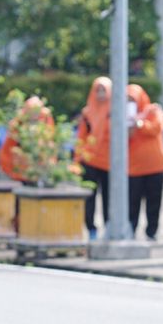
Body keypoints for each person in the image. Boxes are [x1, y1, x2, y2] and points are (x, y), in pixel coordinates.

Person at [125, 84, 163, 241]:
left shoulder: (153, 110)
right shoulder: (121, 114)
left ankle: (152, 231)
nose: (130, 102)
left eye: (133, 99)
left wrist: (139, 124)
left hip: (155, 165)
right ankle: (130, 230)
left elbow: (157, 128)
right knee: (132, 203)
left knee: (154, 201)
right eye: (127, 99)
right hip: (133, 168)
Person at [75, 77, 113, 236]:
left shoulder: (115, 111)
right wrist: (77, 160)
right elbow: (81, 137)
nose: (101, 94)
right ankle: (91, 228)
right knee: (89, 196)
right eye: (98, 90)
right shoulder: (87, 112)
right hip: (89, 160)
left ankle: (109, 227)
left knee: (108, 198)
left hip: (109, 161)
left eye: (104, 90)